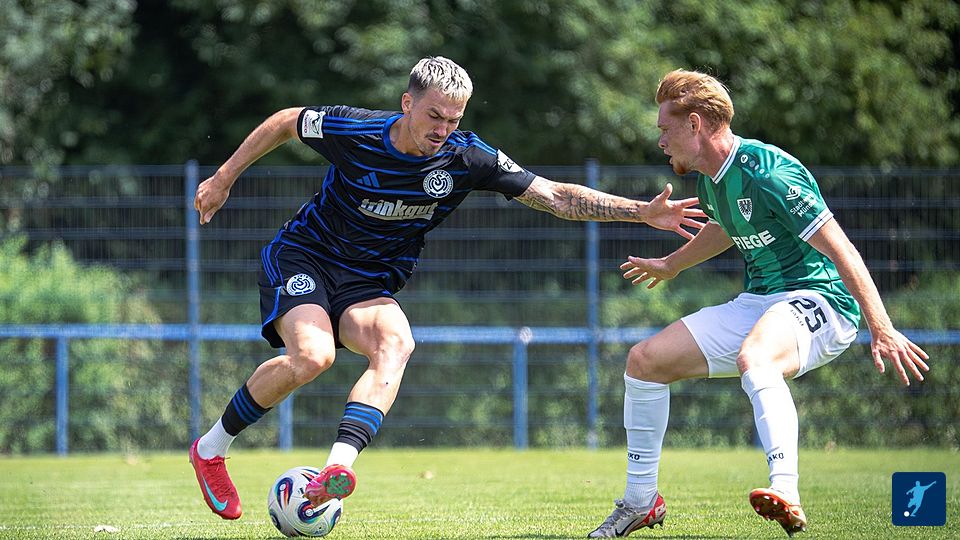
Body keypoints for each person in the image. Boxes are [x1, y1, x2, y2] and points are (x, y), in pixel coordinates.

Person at [188, 56, 707, 521]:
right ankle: (211, 450)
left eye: (453, 120)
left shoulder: (467, 157)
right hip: (306, 257)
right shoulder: (357, 129)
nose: (442, 130)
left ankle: (335, 471)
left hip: (368, 282)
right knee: (313, 356)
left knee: (397, 344)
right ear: (407, 103)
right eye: (434, 116)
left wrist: (641, 211)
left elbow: (555, 196)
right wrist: (224, 177)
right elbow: (286, 120)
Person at [588, 69, 931, 538]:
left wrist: (882, 326)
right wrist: (671, 265)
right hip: (760, 300)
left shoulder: (769, 173)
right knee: (644, 362)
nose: (661, 141)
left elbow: (843, 250)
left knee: (756, 357)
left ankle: (785, 490)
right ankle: (640, 502)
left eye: (666, 129)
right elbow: (725, 228)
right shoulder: (711, 180)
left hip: (822, 299)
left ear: (695, 124)